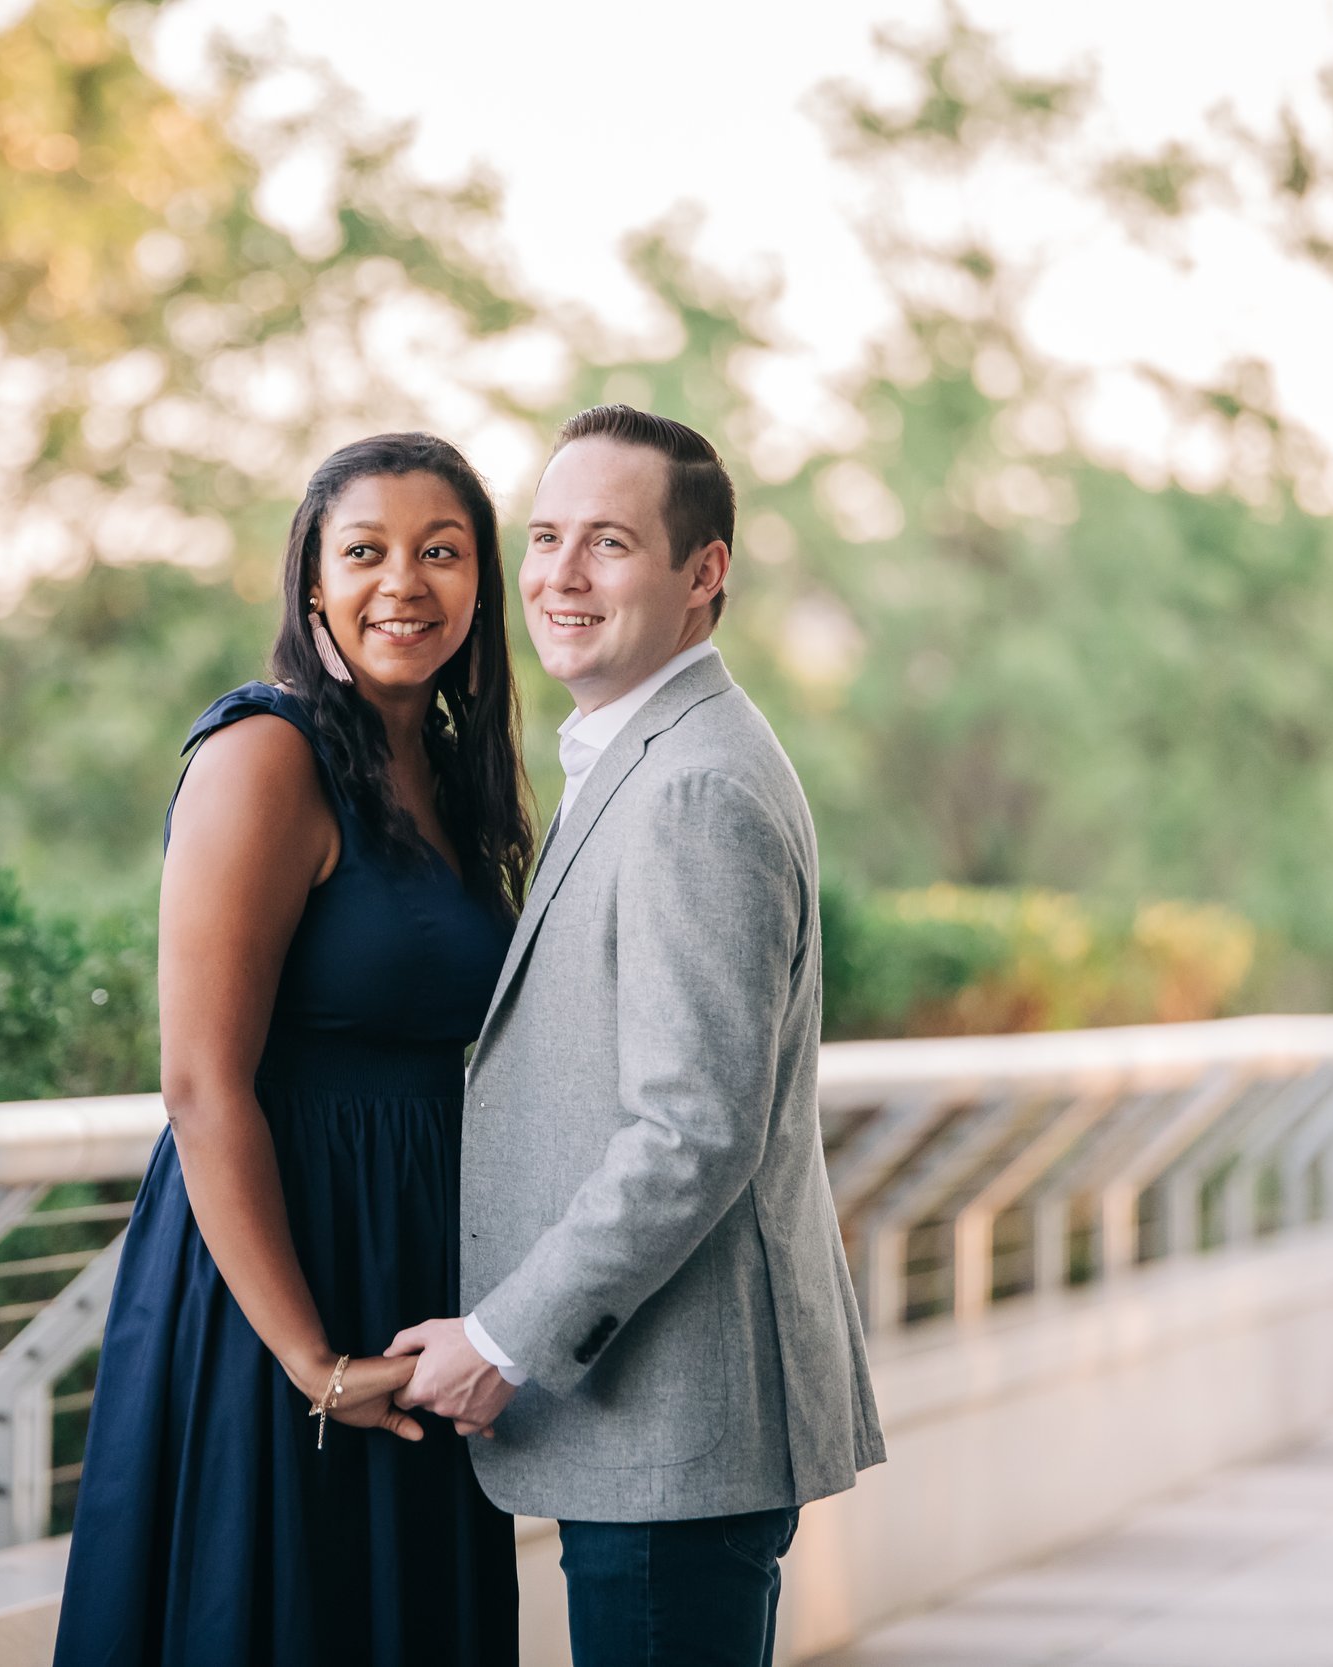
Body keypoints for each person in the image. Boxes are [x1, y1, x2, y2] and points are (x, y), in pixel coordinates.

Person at [388, 406, 886, 1667]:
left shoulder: (693, 785)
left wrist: (504, 1337)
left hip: (675, 1423)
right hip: (652, 1417)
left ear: (701, 572)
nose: (558, 575)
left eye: (607, 542)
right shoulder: (638, 753)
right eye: (545, 536)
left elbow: (692, 1128)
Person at [52, 433, 533, 1667]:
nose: (404, 583)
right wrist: (313, 1360)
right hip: (279, 1276)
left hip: (415, 1260)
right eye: (364, 551)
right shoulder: (265, 753)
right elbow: (201, 1084)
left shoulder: (453, 770)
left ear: (479, 585)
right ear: (310, 583)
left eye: (441, 551)